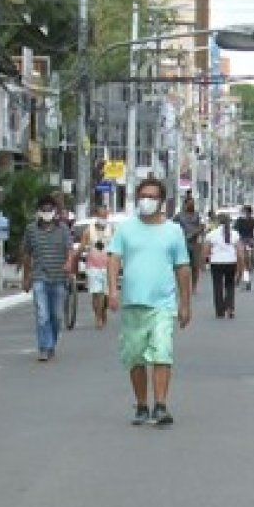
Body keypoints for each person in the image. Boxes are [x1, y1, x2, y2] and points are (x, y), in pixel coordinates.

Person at [108, 177, 192, 426]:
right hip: (132, 303)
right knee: (135, 358)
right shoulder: (126, 229)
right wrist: (112, 291)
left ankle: (161, 405)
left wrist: (185, 304)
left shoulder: (173, 231)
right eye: (143, 196)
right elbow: (114, 259)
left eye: (152, 196)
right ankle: (142, 404)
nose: (147, 201)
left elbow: (183, 268)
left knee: (162, 352)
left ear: (162, 201)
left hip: (162, 305)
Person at [20, 195, 73, 362]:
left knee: (56, 316)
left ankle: (51, 344)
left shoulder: (63, 229)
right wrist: (26, 277)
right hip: (39, 278)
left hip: (59, 278)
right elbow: (26, 253)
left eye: (50, 209)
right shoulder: (31, 230)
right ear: (39, 211)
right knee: (42, 315)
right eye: (44, 209)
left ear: (55, 211)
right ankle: (45, 347)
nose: (47, 213)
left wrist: (69, 263)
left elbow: (70, 251)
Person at [81, 204, 114, 330]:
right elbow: (82, 246)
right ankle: (98, 317)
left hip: (108, 267)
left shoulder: (112, 230)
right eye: (100, 215)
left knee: (105, 295)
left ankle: (103, 311)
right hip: (93, 266)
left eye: (105, 215)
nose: (103, 217)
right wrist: (74, 257)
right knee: (96, 293)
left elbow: (117, 248)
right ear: (96, 216)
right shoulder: (88, 231)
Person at [204, 212, 242, 318]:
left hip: (216, 263)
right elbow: (240, 252)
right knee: (230, 285)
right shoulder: (235, 234)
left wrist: (205, 261)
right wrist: (240, 268)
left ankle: (219, 310)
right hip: (231, 262)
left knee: (217, 286)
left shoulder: (211, 234)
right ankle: (230, 307)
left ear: (217, 221)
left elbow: (206, 251)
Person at [175, 196, 204, 293]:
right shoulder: (179, 216)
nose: (192, 205)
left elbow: (201, 227)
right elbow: (173, 227)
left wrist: (195, 232)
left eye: (193, 203)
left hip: (195, 244)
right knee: (183, 266)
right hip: (182, 244)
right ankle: (183, 286)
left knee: (195, 267)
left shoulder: (197, 215)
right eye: (190, 203)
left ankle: (194, 286)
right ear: (185, 204)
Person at [234, 205, 254, 289]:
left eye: (244, 211)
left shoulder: (250, 220)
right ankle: (247, 273)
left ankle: (246, 275)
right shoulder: (244, 220)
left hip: (245, 241)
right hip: (246, 241)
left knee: (244, 259)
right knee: (245, 259)